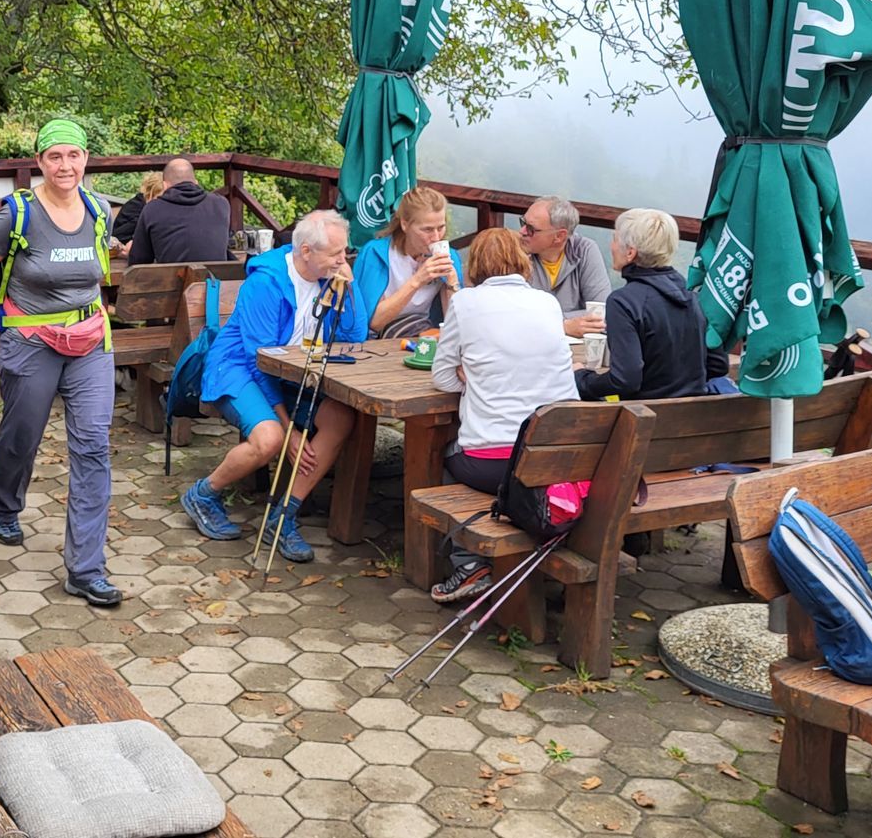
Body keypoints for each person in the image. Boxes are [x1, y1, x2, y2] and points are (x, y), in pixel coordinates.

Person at [0, 118, 122, 606]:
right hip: (30, 341)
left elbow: (96, 275)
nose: (65, 165)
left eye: (73, 155)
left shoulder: (100, 211)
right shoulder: (17, 214)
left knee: (93, 446)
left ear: (85, 159)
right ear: (40, 162)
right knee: (22, 434)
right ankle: (6, 506)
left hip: (90, 342)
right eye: (55, 156)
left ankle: (86, 569)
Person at [178, 210, 369, 563]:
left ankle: (283, 515)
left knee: (341, 416)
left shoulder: (329, 277)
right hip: (239, 368)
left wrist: (350, 287)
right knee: (271, 439)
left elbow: (355, 337)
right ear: (306, 251)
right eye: (335, 253)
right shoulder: (266, 283)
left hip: (294, 374)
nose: (343, 260)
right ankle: (204, 493)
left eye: (345, 252)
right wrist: (289, 428)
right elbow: (259, 360)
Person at [428, 228, 578, 602]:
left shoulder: (465, 303)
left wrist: (472, 376)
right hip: (553, 458)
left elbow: (442, 378)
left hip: (492, 464)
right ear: (521, 262)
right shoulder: (547, 303)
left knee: (445, 456)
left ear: (475, 265)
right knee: (505, 464)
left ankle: (468, 563)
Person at [575, 208, 727, 400]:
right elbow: (718, 365)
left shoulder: (623, 302)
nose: (611, 246)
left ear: (630, 253)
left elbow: (625, 380)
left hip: (644, 415)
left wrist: (581, 378)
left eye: (614, 239)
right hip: (694, 414)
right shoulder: (695, 297)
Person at [352, 187, 461, 338]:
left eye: (441, 227)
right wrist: (417, 280)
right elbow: (374, 323)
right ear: (405, 225)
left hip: (423, 334)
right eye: (427, 230)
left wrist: (452, 283)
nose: (436, 237)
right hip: (376, 341)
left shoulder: (450, 256)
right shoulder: (376, 254)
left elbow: (456, 325)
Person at [519, 195, 610, 337]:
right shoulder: (515, 253)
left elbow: (601, 312)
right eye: (522, 222)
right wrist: (562, 325)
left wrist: (547, 321)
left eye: (531, 229)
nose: (522, 231)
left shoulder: (584, 250)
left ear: (559, 236)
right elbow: (513, 316)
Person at [128, 158, 234, 266]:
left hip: (172, 277)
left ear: (164, 185)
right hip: (215, 276)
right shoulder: (221, 204)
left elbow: (138, 261)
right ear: (196, 183)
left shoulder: (152, 209)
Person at [112, 172, 165, 255]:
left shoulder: (142, 205)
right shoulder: (136, 208)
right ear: (150, 193)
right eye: (160, 198)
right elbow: (119, 235)